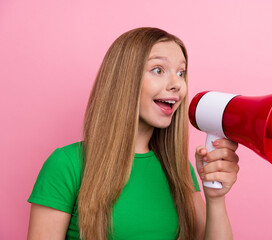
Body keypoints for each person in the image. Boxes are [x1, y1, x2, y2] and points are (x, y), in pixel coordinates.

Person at [27, 27, 240, 240]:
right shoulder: (67, 165)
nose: (177, 85)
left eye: (181, 73)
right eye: (158, 70)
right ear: (124, 79)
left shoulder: (179, 169)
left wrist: (215, 198)